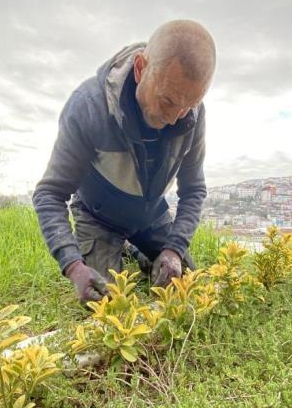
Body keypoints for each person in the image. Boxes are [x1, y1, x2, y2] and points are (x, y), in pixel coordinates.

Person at [33, 19, 216, 304]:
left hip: (151, 215)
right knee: (105, 301)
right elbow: (49, 194)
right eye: (167, 100)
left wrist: (175, 249)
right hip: (99, 217)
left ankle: (138, 250)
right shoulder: (88, 107)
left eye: (189, 105)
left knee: (188, 286)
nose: (174, 117)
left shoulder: (192, 114)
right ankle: (123, 248)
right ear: (142, 68)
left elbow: (194, 189)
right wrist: (73, 266)